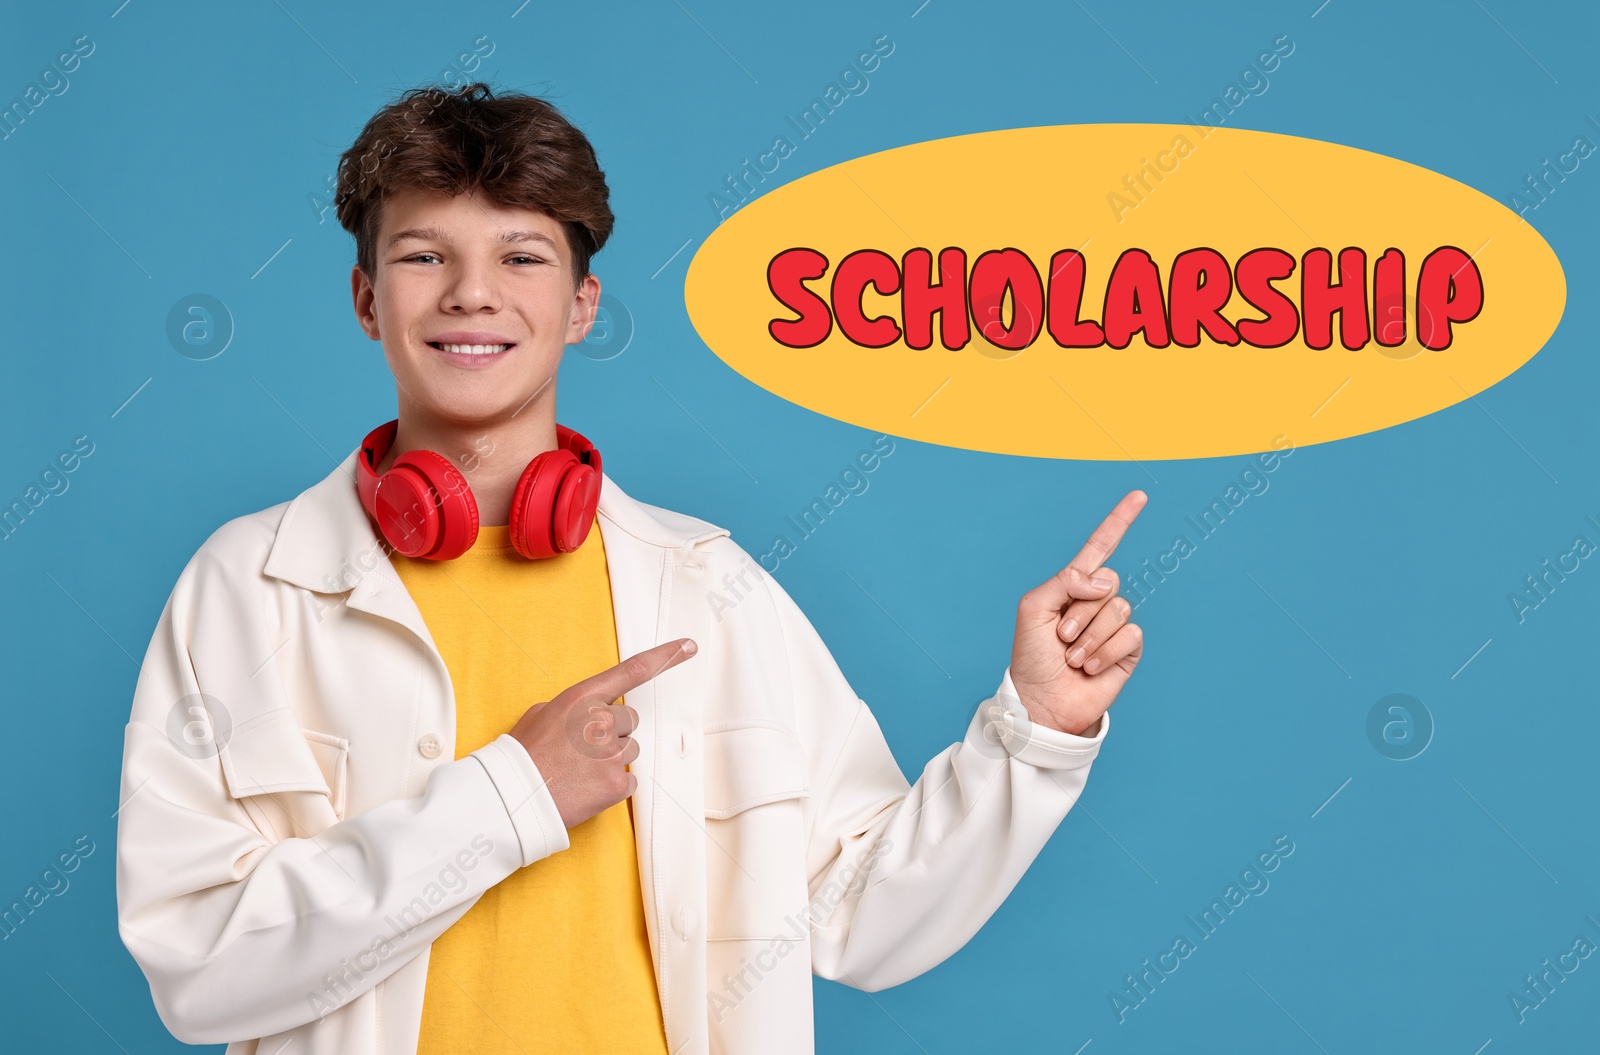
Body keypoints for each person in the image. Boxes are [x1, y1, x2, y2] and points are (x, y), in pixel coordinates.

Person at [114, 82, 1147, 1055]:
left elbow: (863, 915)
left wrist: (1036, 732)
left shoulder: (709, 588)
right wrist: (511, 794)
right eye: (424, 256)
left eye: (522, 258)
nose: (474, 294)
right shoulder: (249, 587)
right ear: (365, 298)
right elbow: (198, 968)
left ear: (582, 304)